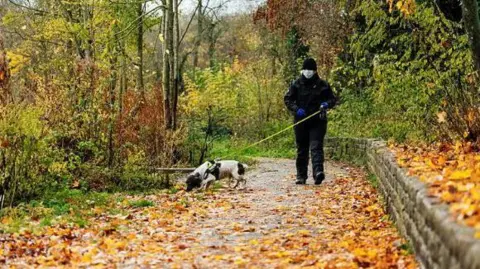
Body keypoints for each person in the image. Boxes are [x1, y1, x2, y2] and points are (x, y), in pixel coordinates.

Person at [284, 58, 336, 185]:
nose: (308, 72)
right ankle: (301, 176)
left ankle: (318, 172)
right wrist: (296, 109)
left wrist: (326, 104)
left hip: (317, 121)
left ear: (315, 71)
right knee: (302, 148)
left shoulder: (323, 85)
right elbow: (288, 100)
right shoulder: (296, 84)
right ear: (302, 70)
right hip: (301, 121)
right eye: (306, 70)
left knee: (316, 147)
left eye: (311, 70)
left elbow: (333, 99)